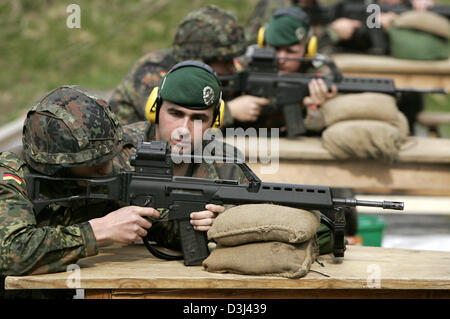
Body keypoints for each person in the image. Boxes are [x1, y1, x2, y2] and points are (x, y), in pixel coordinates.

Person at [0, 84, 220, 298]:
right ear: (55, 166)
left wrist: (194, 218)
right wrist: (99, 230)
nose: (107, 167)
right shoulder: (11, 176)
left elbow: (158, 224)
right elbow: (10, 254)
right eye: (94, 163)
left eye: (109, 156)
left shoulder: (105, 172)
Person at [109, 5, 270, 128]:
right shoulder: (152, 71)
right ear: (201, 59)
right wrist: (230, 111)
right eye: (226, 61)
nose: (233, 68)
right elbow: (173, 123)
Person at [255, 6, 338, 134]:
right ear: (263, 42)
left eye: (291, 51)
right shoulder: (248, 62)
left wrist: (312, 106)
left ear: (308, 49)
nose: (281, 59)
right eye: (275, 49)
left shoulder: (320, 71)